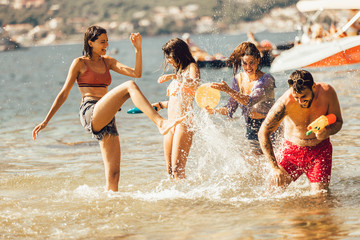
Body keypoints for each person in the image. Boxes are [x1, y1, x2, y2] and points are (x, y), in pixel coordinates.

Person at [32, 26, 184, 191]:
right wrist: (46, 120)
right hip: (90, 111)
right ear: (90, 43)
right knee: (129, 87)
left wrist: (137, 50)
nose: (106, 45)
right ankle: (160, 123)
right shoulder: (79, 63)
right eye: (102, 42)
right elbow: (63, 93)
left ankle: (109, 209)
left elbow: (137, 73)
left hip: (107, 116)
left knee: (114, 176)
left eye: (107, 41)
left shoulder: (108, 61)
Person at [258, 69, 343, 193]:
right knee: (270, 194)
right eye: (296, 97)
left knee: (320, 199)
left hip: (320, 151)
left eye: (303, 96)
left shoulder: (327, 92)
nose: (300, 101)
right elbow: (263, 133)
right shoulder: (285, 103)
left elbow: (338, 122)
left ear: (313, 86)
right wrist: (274, 168)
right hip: (291, 152)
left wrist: (328, 132)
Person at [206, 42, 276, 154]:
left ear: (258, 60)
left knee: (272, 161)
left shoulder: (266, 80)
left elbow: (250, 101)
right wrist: (213, 110)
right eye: (244, 64)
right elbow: (230, 108)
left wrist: (228, 90)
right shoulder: (238, 79)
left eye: (251, 63)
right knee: (255, 165)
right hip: (251, 126)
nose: (248, 67)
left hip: (269, 126)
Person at [153, 38, 200, 179]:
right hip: (170, 123)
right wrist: (161, 105)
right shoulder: (179, 72)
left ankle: (186, 200)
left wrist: (175, 76)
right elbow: (176, 100)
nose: (167, 60)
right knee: (169, 171)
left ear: (178, 54)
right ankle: (175, 200)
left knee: (178, 169)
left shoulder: (192, 67)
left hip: (183, 123)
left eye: (169, 56)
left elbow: (195, 84)